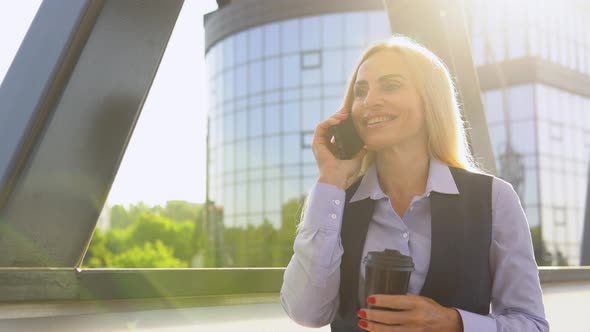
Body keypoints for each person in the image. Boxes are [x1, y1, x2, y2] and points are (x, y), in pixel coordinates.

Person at [280, 35, 549, 332]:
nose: (369, 101)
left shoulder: (493, 198)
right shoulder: (335, 202)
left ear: (430, 100)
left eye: (391, 85)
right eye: (360, 91)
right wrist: (330, 180)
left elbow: (532, 325)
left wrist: (454, 324)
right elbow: (307, 313)